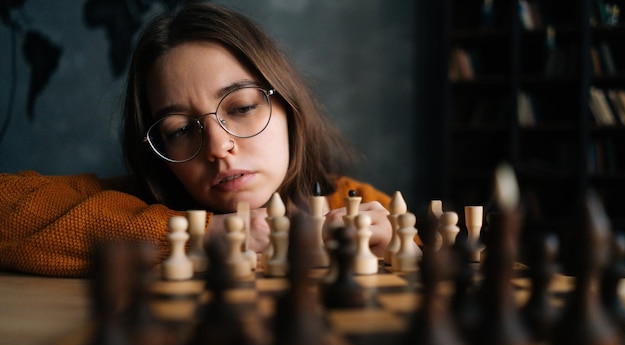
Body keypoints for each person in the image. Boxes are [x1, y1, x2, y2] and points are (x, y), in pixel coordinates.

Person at [0, 2, 396, 278]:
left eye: (241, 107)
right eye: (179, 130)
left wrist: (390, 251)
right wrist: (203, 235)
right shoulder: (138, 206)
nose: (217, 147)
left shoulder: (353, 204)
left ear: (289, 107)